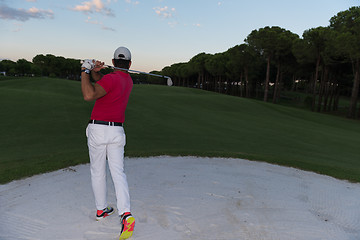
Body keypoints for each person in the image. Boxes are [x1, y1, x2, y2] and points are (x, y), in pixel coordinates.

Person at [80, 46, 135, 239]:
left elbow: (88, 95)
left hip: (98, 130)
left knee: (98, 171)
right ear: (129, 64)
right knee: (118, 173)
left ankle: (101, 210)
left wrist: (85, 70)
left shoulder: (111, 79)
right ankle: (126, 214)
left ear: (113, 62)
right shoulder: (128, 80)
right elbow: (104, 84)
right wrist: (97, 73)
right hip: (117, 131)